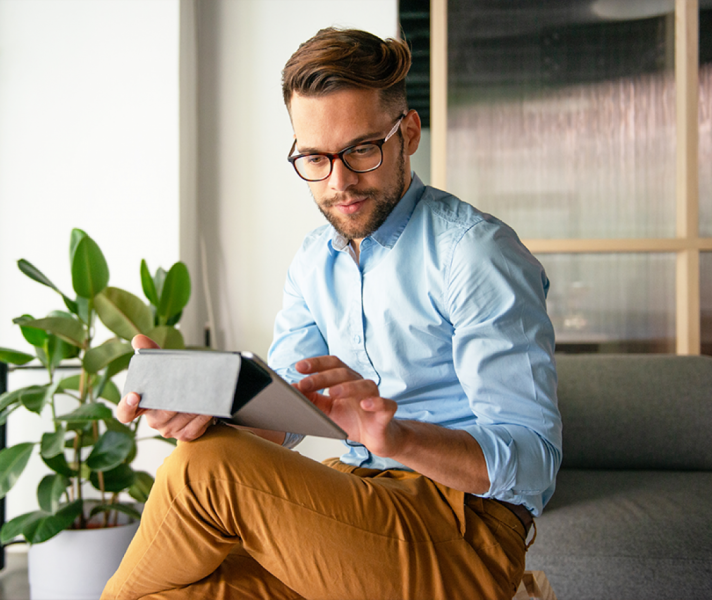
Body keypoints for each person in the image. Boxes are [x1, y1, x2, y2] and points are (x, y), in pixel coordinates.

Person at [102, 27, 561, 600]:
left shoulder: (475, 252)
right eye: (315, 157)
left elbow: (535, 463)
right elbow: (286, 418)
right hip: (360, 507)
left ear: (408, 134)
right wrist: (202, 409)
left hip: (467, 530)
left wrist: (398, 437)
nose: (339, 181)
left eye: (362, 150)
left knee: (200, 471)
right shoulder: (313, 261)